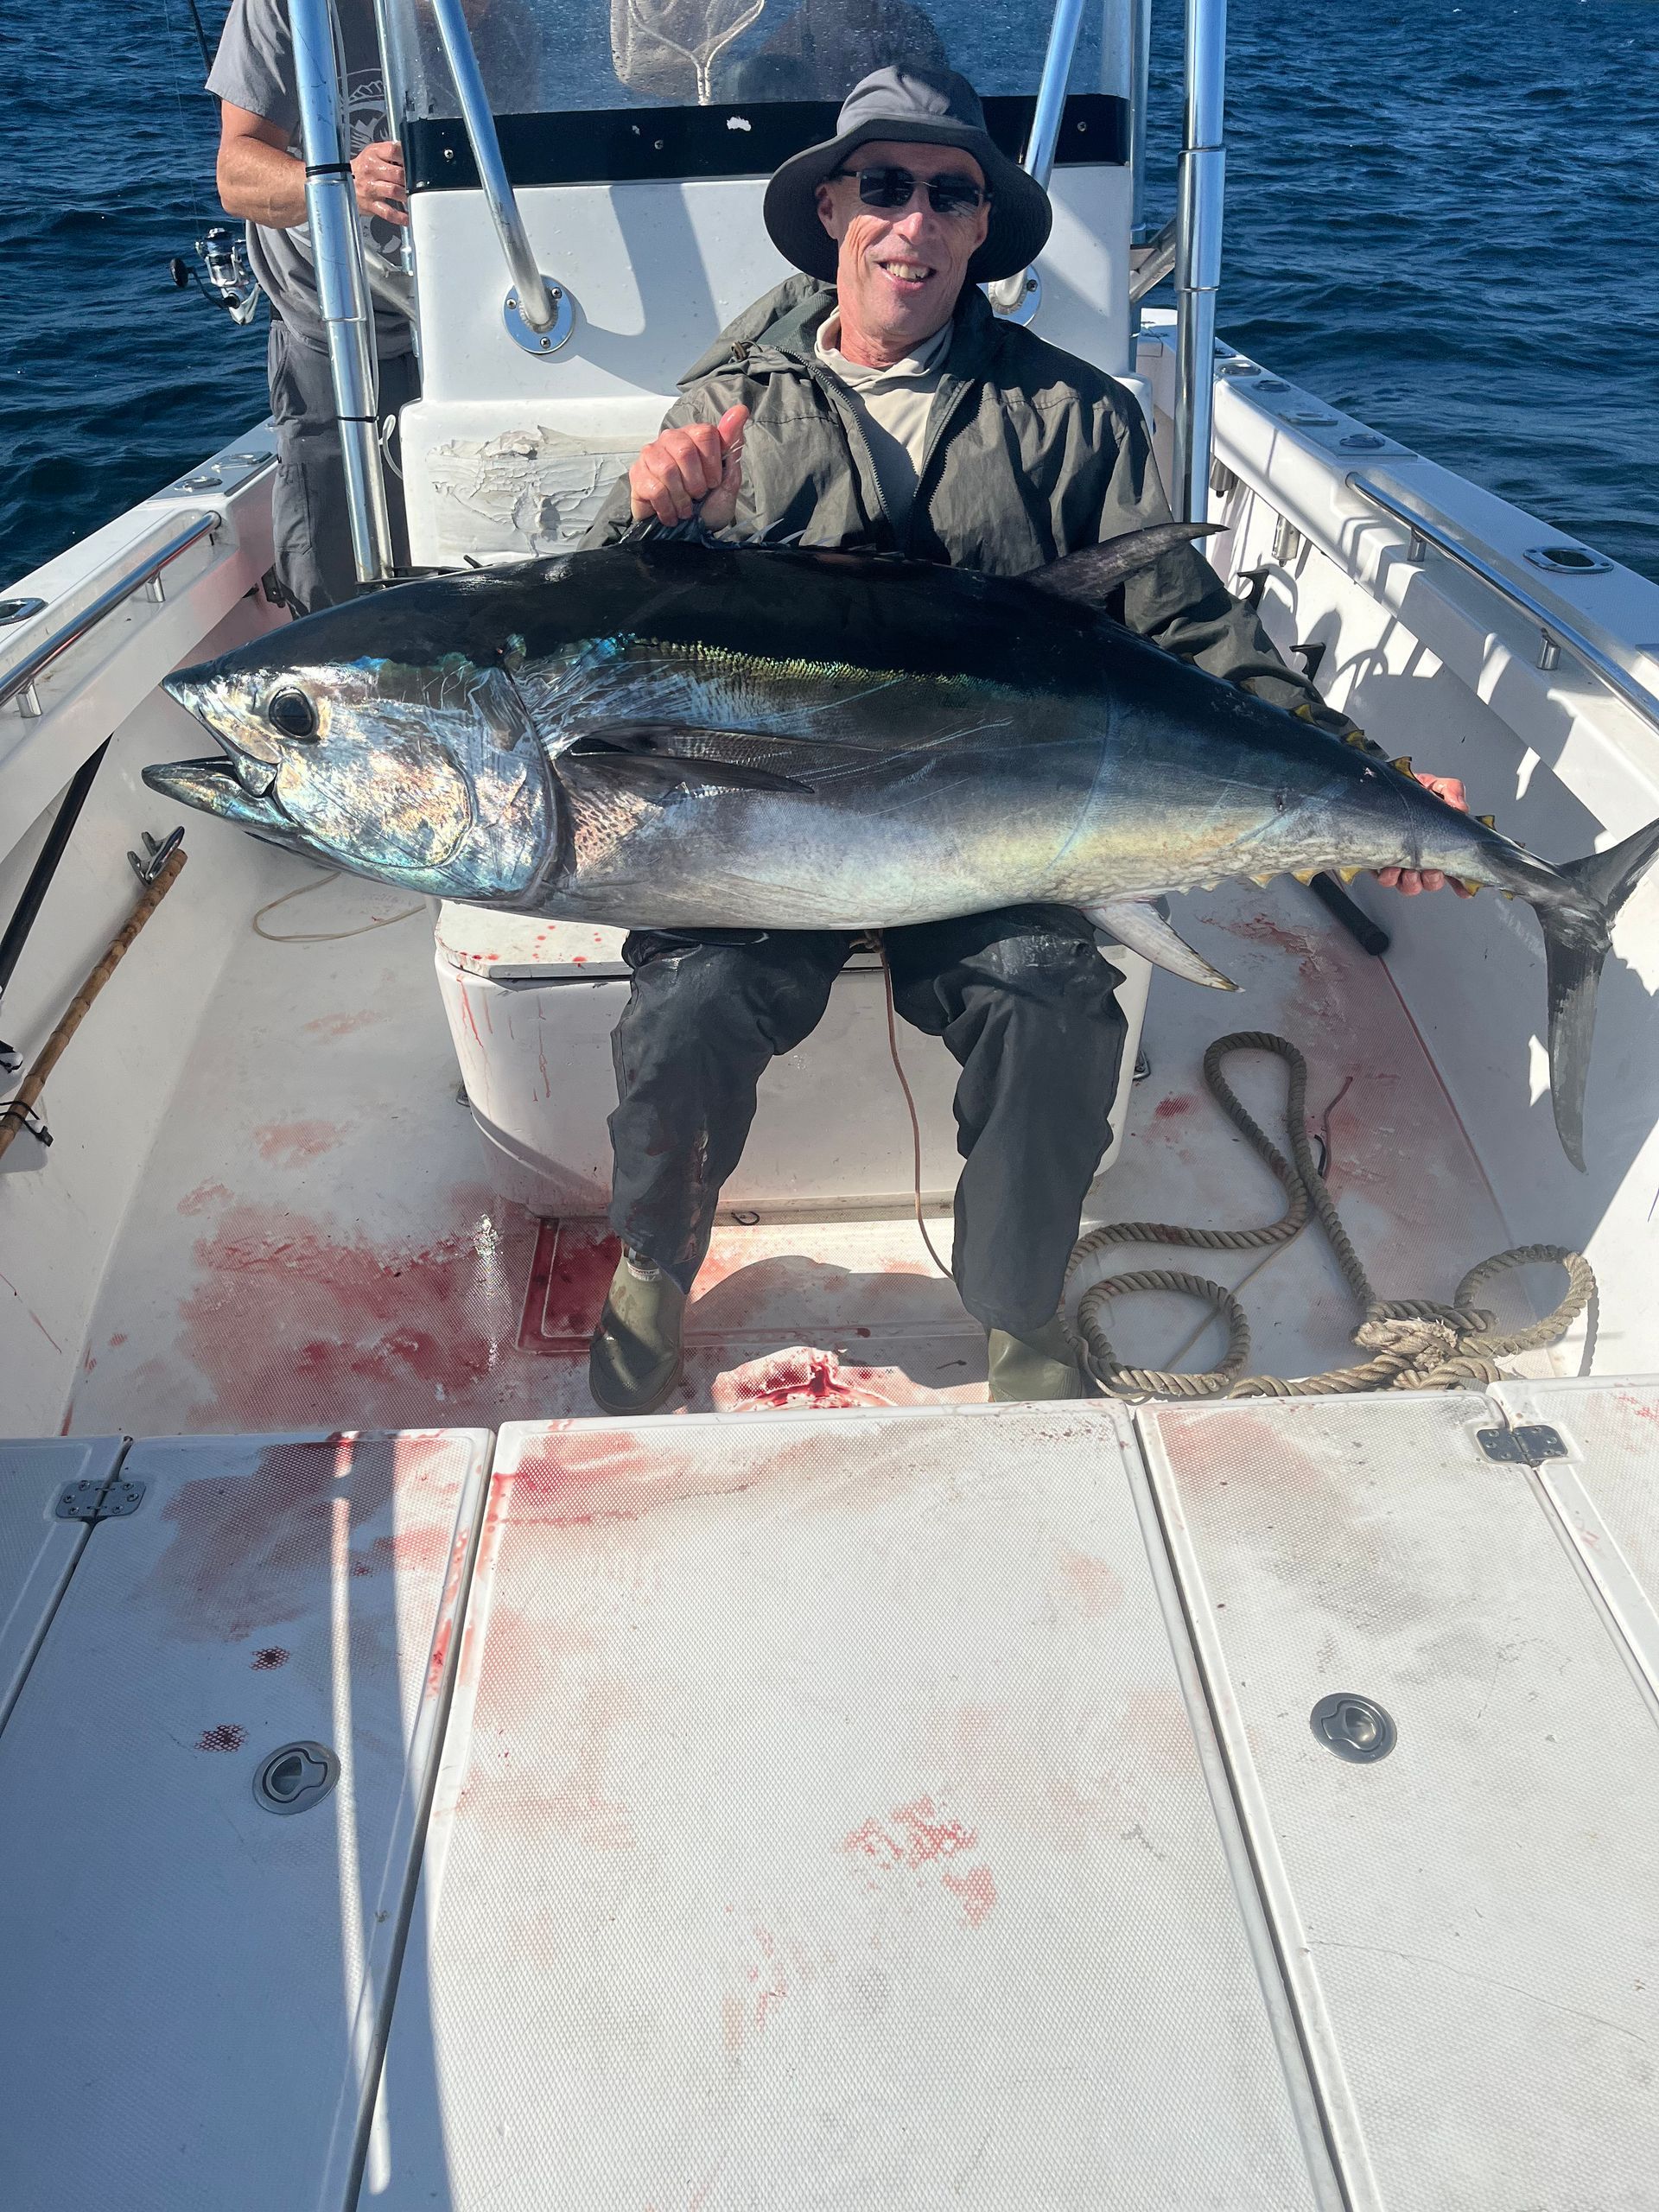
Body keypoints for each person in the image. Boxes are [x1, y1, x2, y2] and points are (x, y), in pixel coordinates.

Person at [582, 64, 1468, 1414]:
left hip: (1002, 827)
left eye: (952, 195)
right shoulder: (726, 406)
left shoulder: (1074, 416)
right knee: (686, 1003)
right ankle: (652, 1266)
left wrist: (1377, 785)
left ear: (981, 230)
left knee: (1051, 997)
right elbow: (608, 639)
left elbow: (1200, 644)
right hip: (779, 823)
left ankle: (1015, 1308)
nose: (914, 224)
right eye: (884, 188)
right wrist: (648, 517)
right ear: (832, 208)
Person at [208, 0, 416, 614]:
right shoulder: (283, 7)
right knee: (332, 585)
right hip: (331, 341)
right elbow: (235, 173)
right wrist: (344, 183)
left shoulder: (507, 16)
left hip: (476, 331)